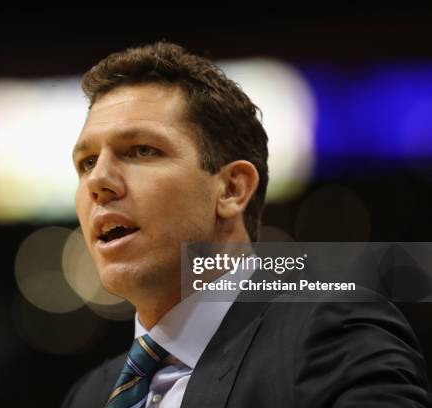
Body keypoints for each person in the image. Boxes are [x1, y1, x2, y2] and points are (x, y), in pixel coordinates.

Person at [61, 42, 432, 407]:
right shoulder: (90, 395)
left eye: (142, 150)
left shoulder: (333, 338)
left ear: (232, 189)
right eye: (87, 162)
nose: (98, 181)